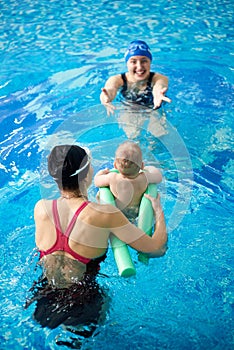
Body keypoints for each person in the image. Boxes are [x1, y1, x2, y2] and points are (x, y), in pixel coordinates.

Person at [26, 144, 167, 336]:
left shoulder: (41, 208)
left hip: (43, 300)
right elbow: (156, 249)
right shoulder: (105, 214)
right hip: (85, 305)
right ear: (86, 174)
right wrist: (158, 212)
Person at [94, 141, 162, 221]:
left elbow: (97, 181)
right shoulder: (144, 178)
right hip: (137, 213)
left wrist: (101, 173)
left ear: (115, 165)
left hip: (120, 213)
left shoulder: (112, 178)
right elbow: (159, 177)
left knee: (99, 195)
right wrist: (150, 168)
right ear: (142, 166)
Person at [100, 40, 171, 116]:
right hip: (130, 108)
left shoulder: (159, 78)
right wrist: (107, 97)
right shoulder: (117, 79)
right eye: (133, 62)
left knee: (157, 125)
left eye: (144, 61)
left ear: (150, 62)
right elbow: (110, 89)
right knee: (130, 125)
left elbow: (160, 86)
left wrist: (158, 93)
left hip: (154, 108)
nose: (139, 67)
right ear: (127, 64)